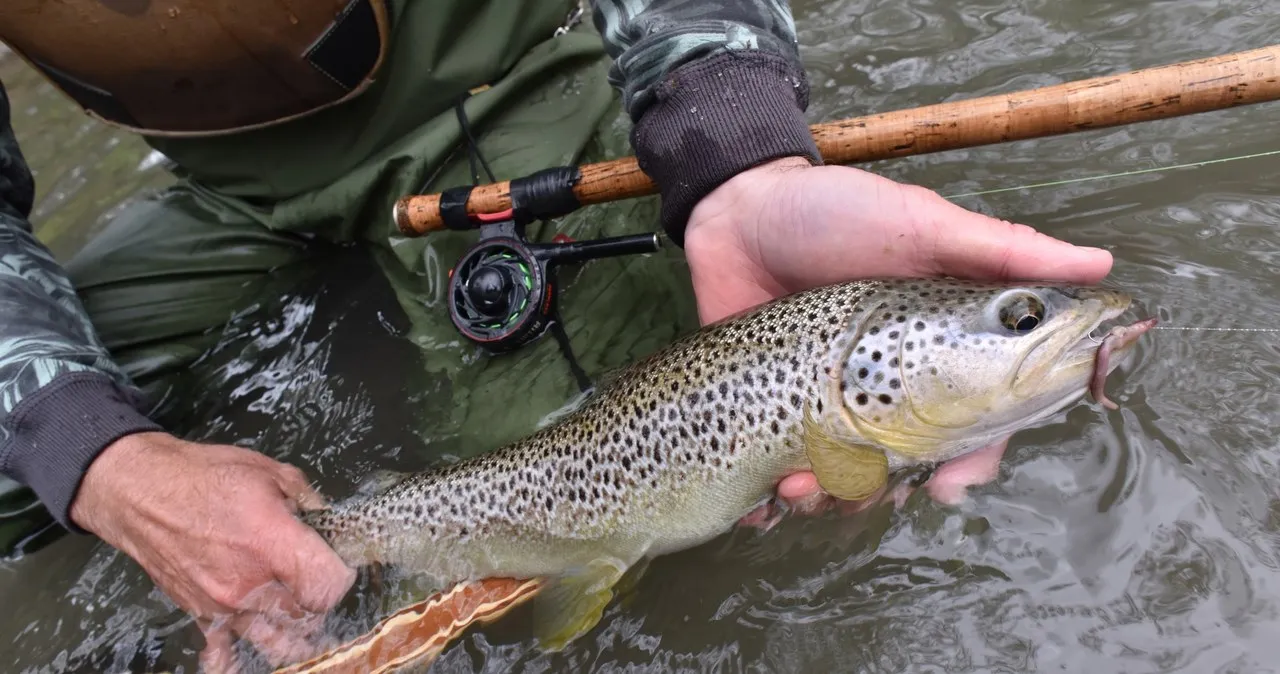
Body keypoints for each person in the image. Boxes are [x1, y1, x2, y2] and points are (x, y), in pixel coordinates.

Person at [0, 0, 1112, 667]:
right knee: (24, 465)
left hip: (489, 93)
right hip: (229, 190)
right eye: (1018, 318)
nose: (1038, 328)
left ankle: (349, 566)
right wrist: (97, 455)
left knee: (545, 427)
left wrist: (733, 152)